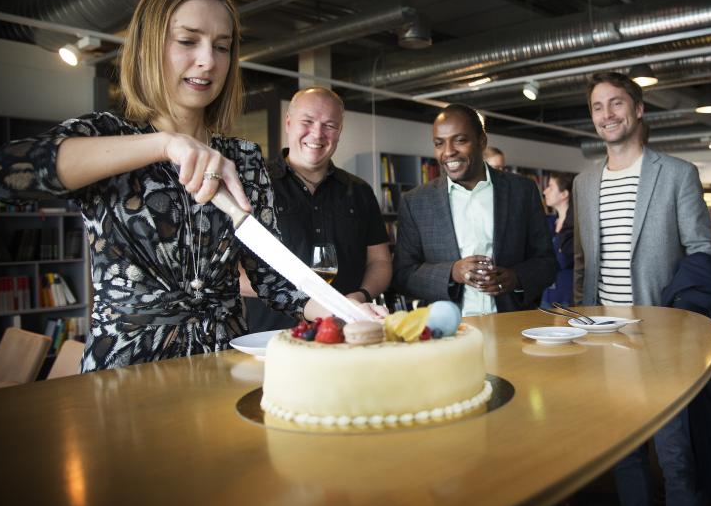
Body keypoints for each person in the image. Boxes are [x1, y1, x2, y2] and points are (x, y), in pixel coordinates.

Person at [0, 0, 332, 371]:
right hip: (125, 371)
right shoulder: (108, 136)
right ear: (150, 47)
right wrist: (163, 144)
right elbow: (0, 173)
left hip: (222, 364)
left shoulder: (244, 159)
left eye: (222, 46)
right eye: (188, 41)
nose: (209, 60)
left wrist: (333, 308)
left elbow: (271, 278)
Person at [573, 71, 711, 506]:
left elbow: (703, 253)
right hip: (603, 343)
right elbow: (582, 262)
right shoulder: (583, 181)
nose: (607, 114)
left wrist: (684, 322)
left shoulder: (676, 174)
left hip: (664, 344)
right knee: (625, 456)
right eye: (598, 106)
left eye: (617, 103)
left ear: (638, 110)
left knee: (677, 460)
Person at [242, 87, 391, 331]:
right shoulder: (253, 186)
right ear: (289, 123)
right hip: (272, 337)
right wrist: (301, 300)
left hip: (348, 331)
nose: (317, 134)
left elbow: (380, 261)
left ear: (339, 131)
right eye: (307, 121)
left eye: (329, 125)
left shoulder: (360, 191)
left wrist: (359, 296)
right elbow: (233, 272)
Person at [392, 104, 555, 315]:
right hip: (447, 331)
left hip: (511, 323)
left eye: (460, 140)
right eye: (439, 143)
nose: (448, 152)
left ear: (482, 141)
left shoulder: (522, 191)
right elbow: (402, 275)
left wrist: (516, 277)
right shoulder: (416, 202)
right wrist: (453, 273)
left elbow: (547, 263)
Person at [541, 171, 574, 307]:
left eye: (550, 186)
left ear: (564, 194)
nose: (544, 191)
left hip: (567, 298)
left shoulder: (578, 226)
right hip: (544, 297)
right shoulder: (547, 223)